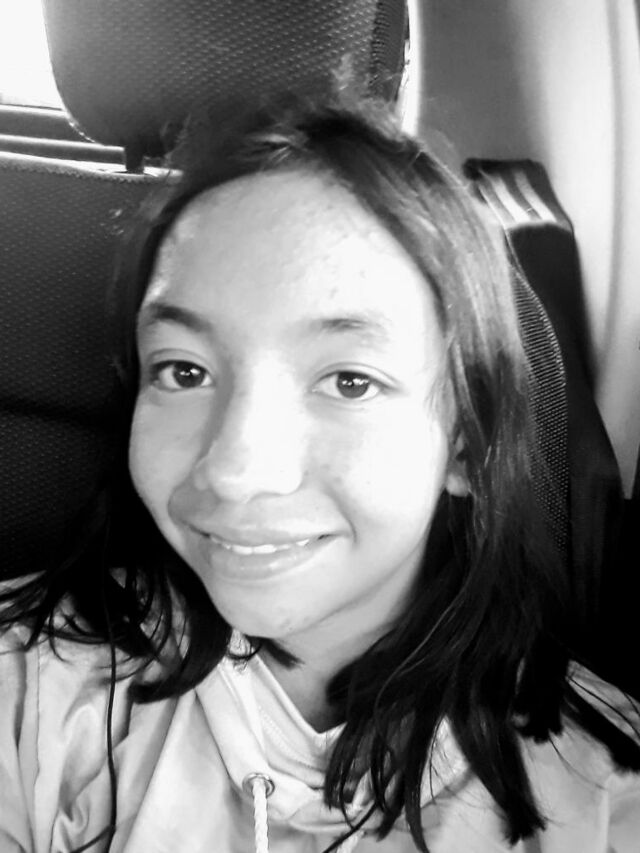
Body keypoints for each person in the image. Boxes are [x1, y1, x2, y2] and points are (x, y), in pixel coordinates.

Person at [1, 95, 639, 853]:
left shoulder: (603, 798)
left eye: (349, 382)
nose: (234, 473)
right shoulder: (25, 696)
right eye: (183, 371)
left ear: (466, 445)